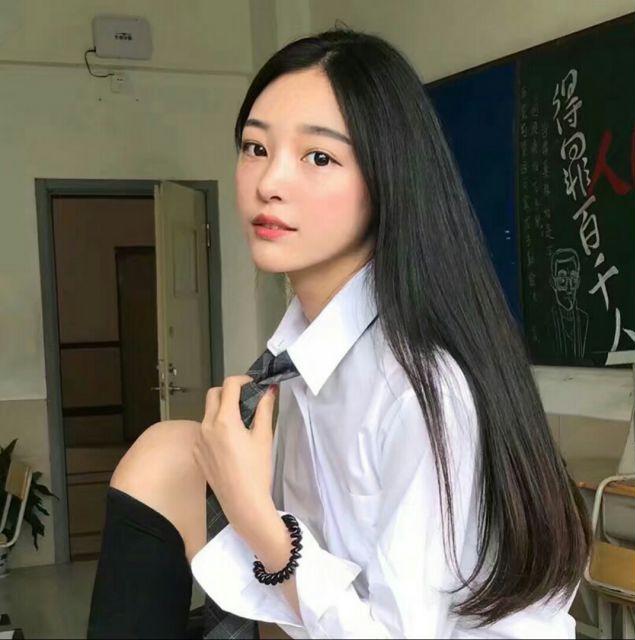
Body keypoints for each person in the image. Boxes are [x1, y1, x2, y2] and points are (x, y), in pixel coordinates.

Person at [87, 28, 591, 639]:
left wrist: (256, 517)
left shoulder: (419, 386)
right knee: (168, 452)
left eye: (319, 157)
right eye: (255, 148)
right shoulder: (300, 360)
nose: (270, 182)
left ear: (386, 180)